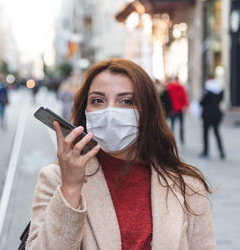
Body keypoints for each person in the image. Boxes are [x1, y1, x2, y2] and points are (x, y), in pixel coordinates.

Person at [26, 58, 216, 249]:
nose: (110, 112)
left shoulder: (187, 186)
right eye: (98, 100)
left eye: (126, 101)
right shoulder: (54, 180)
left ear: (147, 111)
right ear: (85, 110)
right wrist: (70, 188)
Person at [200, 75, 225, 160]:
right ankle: (221, 151)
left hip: (207, 115)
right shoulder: (220, 90)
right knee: (217, 133)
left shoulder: (208, 90)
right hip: (217, 114)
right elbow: (221, 99)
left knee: (205, 134)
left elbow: (202, 102)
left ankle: (206, 152)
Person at [167, 77, 188, 144]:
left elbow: (168, 99)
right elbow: (184, 97)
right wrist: (185, 105)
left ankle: (171, 139)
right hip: (180, 109)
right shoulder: (181, 87)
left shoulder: (170, 88)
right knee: (181, 125)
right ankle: (182, 139)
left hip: (173, 109)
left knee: (173, 125)